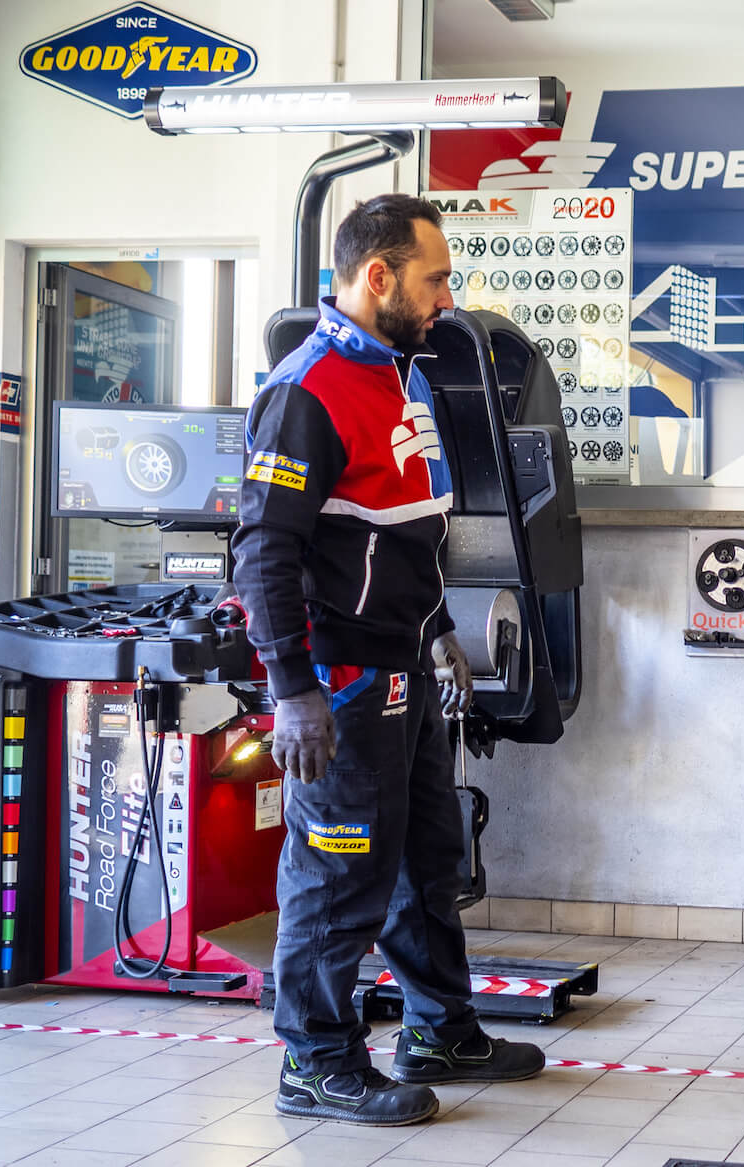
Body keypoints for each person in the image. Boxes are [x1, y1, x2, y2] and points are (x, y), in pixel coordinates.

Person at [233, 193, 545, 1127]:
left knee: (426, 859)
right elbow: (263, 551)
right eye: (435, 279)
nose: (447, 298)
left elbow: (407, 528)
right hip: (343, 679)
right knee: (340, 875)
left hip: (406, 662)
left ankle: (440, 1030)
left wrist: (439, 626)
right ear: (379, 276)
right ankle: (317, 1061)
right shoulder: (309, 388)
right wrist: (293, 690)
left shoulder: (398, 375)